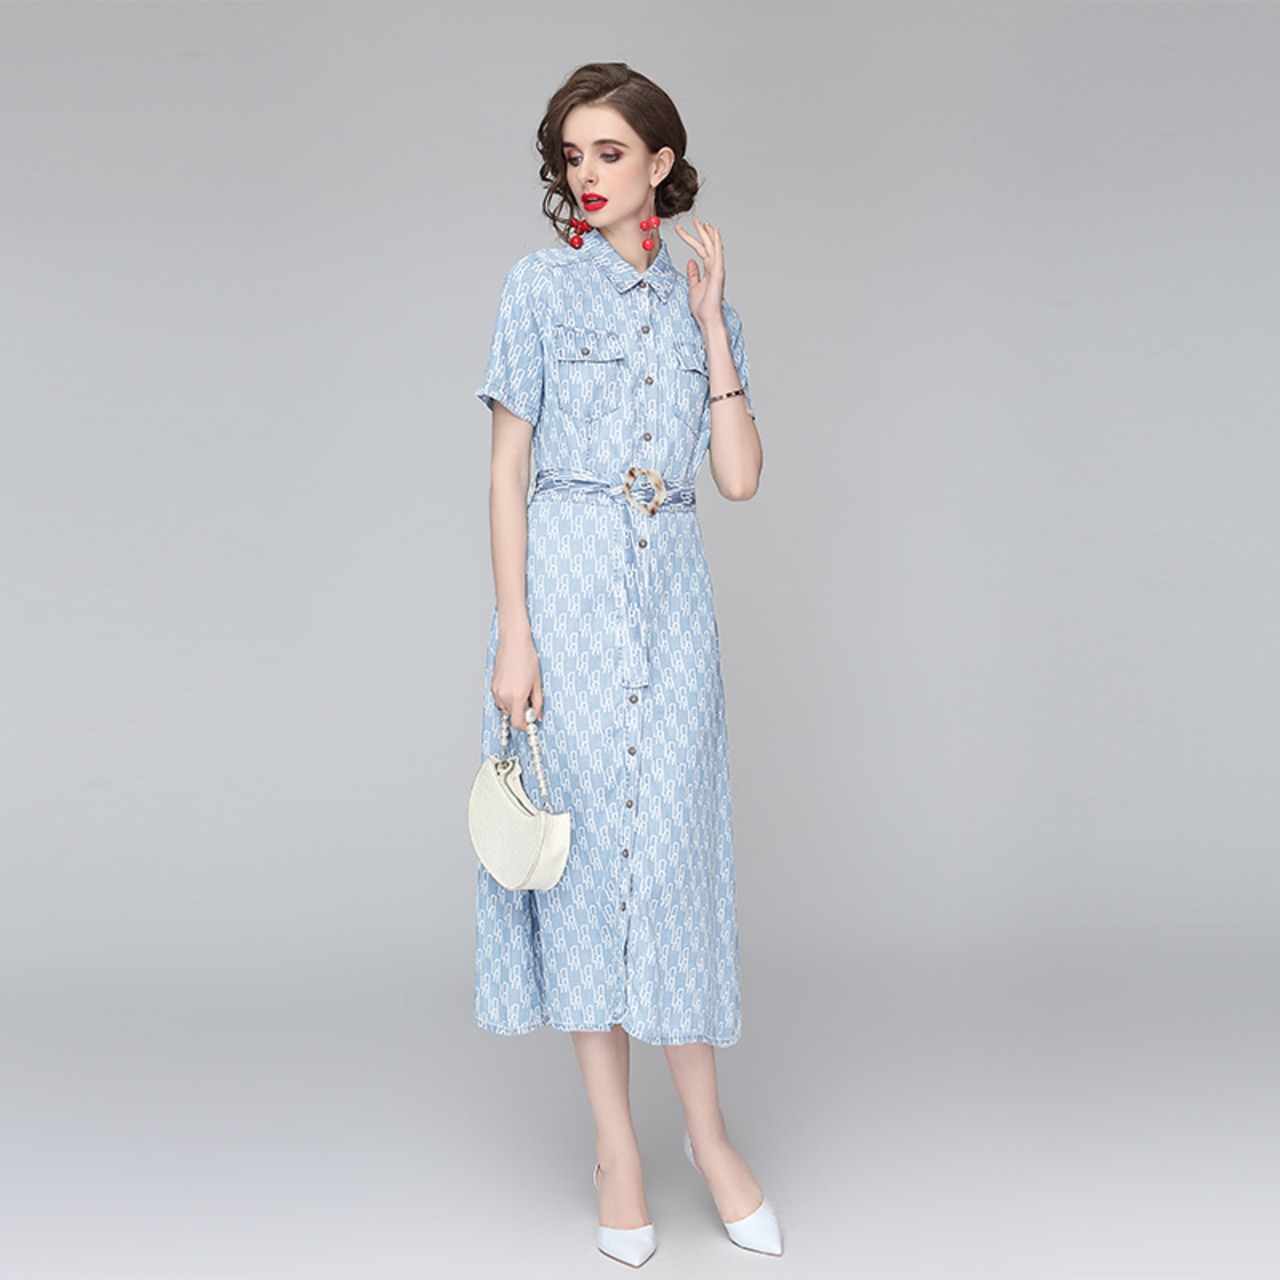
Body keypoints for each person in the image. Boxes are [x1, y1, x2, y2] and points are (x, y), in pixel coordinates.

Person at [473, 62, 781, 1265]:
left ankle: (707, 1136)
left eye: (609, 151)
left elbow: (738, 477)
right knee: (583, 867)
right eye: (572, 154)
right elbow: (506, 468)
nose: (586, 173)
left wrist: (709, 323)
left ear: (660, 162)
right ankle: (616, 1146)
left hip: (672, 611)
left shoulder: (698, 298)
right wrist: (514, 630)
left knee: (672, 869)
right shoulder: (537, 287)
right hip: (564, 600)